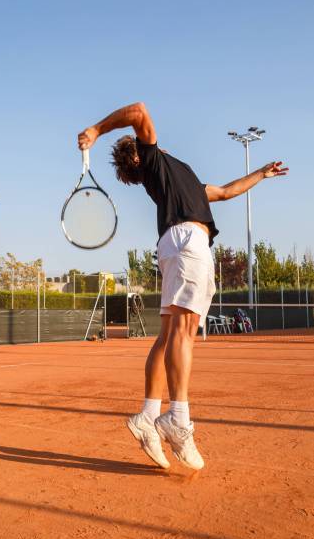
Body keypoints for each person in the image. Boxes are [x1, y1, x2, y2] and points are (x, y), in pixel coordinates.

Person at [78, 102, 288, 470]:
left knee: (169, 335)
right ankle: (177, 418)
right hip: (187, 242)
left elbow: (223, 192)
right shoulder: (154, 159)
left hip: (178, 244)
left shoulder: (181, 177)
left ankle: (147, 415)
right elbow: (139, 111)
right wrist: (97, 129)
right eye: (139, 140)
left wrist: (260, 174)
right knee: (184, 333)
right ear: (139, 156)